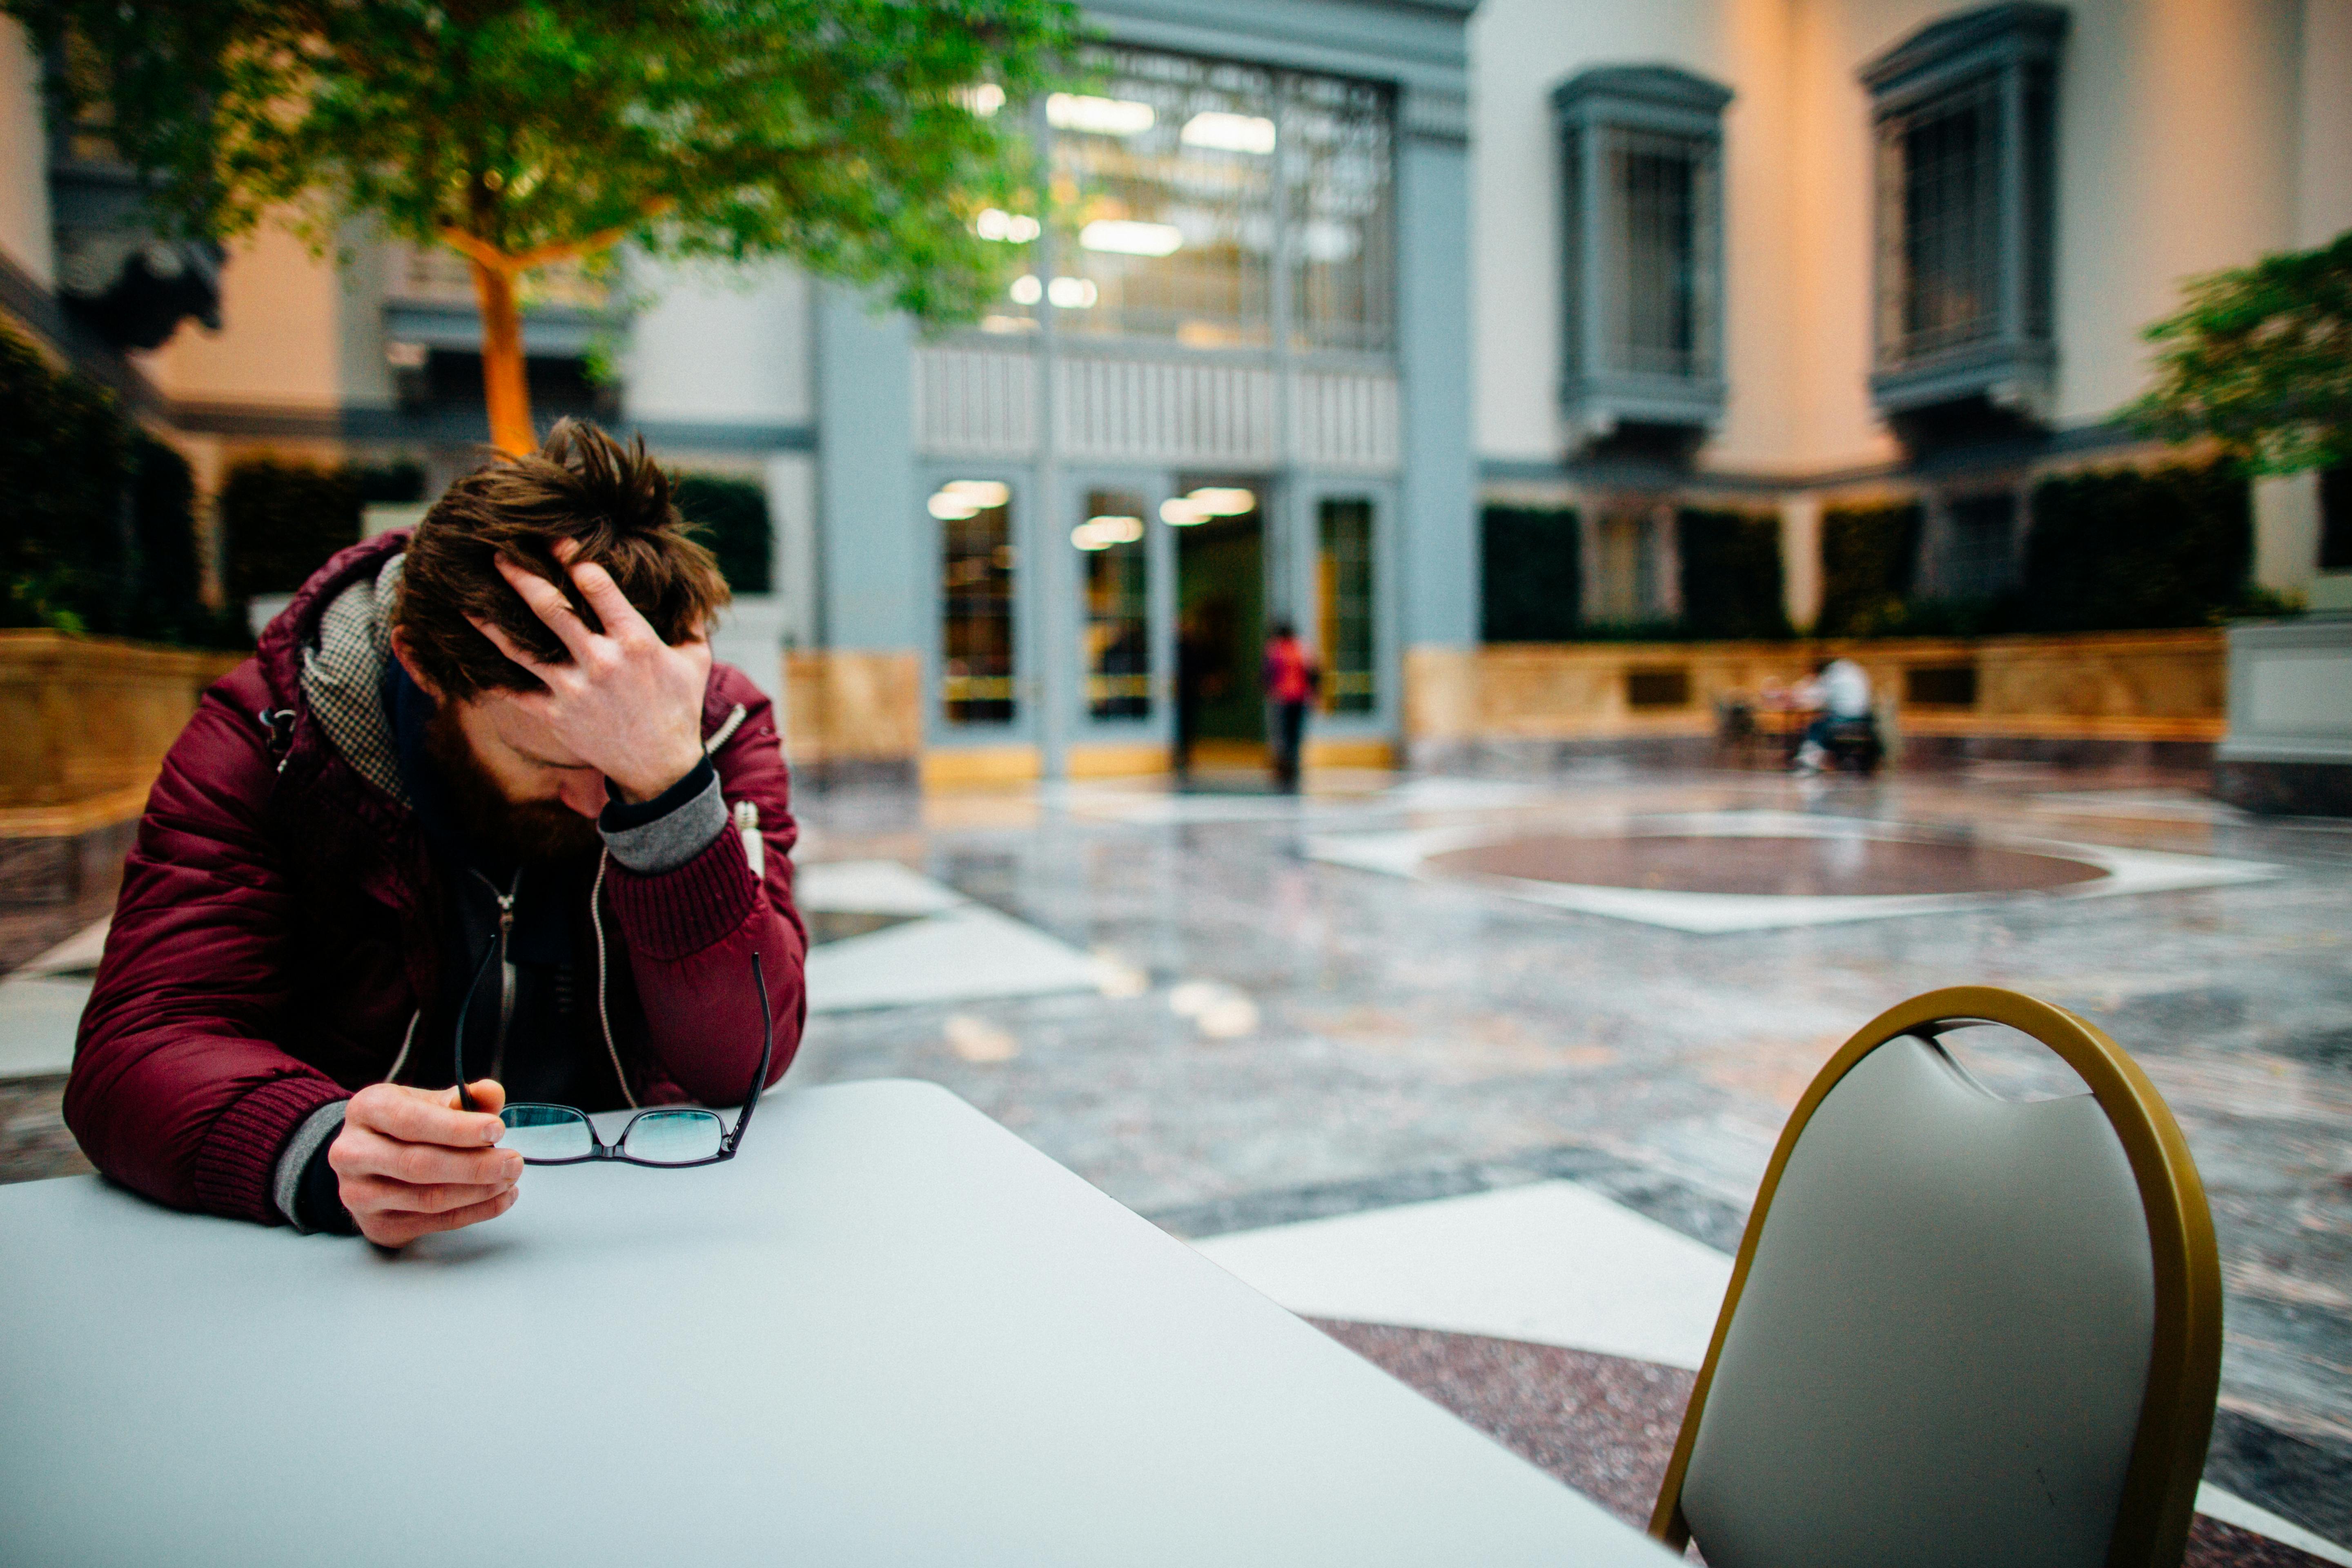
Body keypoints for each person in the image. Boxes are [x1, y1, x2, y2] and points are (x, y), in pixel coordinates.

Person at [65, 420, 808, 1247]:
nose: (599, 800)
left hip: (641, 1225)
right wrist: (318, 1147)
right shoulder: (272, 737)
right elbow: (138, 1050)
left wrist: (671, 791)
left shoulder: (713, 727)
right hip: (365, 1270)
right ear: (420, 664)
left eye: (626, 757)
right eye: (551, 756)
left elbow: (741, 1060)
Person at [1793, 655, 1878, 774]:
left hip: (1843, 720)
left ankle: (1810, 759)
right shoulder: (1854, 669)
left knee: (1816, 727)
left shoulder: (1832, 674)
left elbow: (1819, 699)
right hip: (1864, 720)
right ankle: (1826, 759)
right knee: (1823, 724)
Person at [1261, 620, 1320, 793]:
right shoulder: (1302, 649)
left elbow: (1268, 673)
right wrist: (1314, 693)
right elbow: (1313, 673)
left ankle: (1284, 766)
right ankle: (1293, 765)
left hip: (1282, 697)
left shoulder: (1275, 650)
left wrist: (1268, 689)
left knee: (1283, 732)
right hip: (1300, 697)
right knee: (1295, 732)